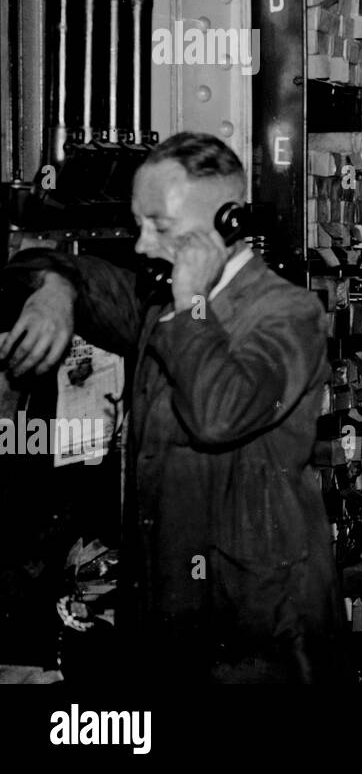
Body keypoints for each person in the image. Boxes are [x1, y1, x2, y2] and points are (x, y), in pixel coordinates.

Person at [0, 132, 342, 682]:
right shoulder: (158, 303)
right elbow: (43, 259)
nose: (141, 246)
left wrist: (192, 304)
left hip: (259, 628)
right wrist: (53, 291)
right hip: (169, 610)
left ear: (227, 223)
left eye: (160, 226)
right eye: (140, 224)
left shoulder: (288, 314)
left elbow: (219, 416)